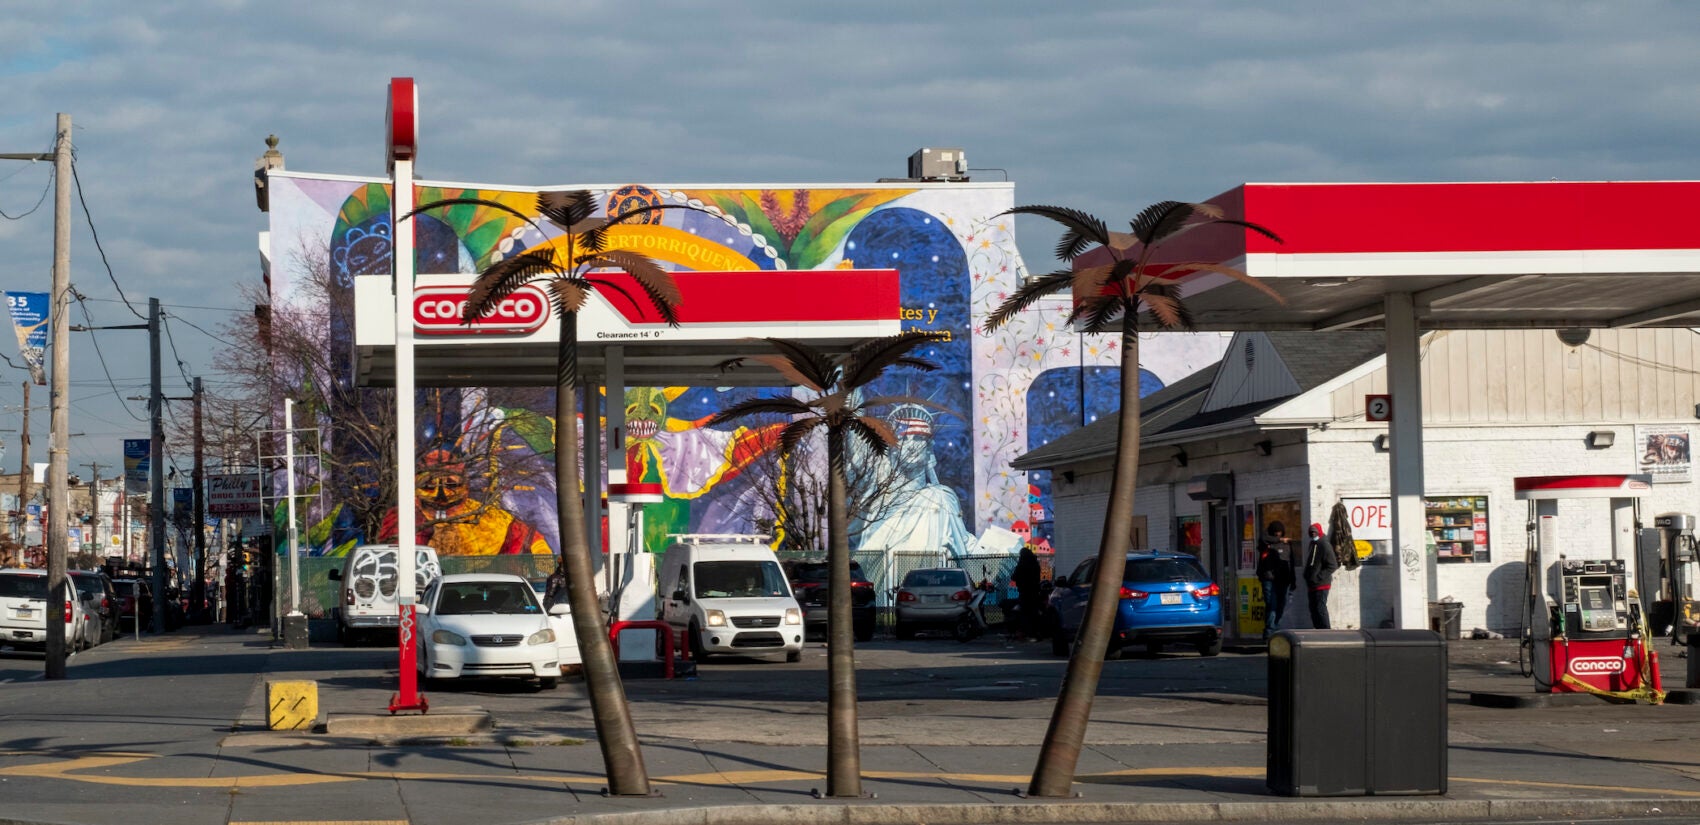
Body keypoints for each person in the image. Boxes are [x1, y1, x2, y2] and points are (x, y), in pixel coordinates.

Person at [1255, 522, 1293, 638]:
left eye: (1280, 532)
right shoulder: (1266, 544)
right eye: (1276, 532)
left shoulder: (1287, 546)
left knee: (1281, 605)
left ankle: (1275, 627)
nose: (1278, 534)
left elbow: (1291, 563)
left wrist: (1293, 580)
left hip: (1283, 579)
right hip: (1269, 578)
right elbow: (1263, 538)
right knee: (1272, 604)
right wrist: (1280, 540)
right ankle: (1270, 631)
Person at [1304, 522, 1340, 629]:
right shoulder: (1312, 544)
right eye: (1311, 533)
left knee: (1320, 608)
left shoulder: (1324, 544)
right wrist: (1307, 576)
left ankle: (1326, 631)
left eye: (1314, 532)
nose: (1313, 535)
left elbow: (1332, 565)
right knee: (1313, 609)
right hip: (1312, 584)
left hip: (1321, 584)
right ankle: (1318, 631)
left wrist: (1318, 577)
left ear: (1319, 532)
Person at [1012, 545, 1043, 640]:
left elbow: (1014, 577)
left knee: (1024, 613)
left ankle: (1025, 632)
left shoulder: (1021, 565)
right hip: (1034, 592)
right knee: (1033, 612)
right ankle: (1034, 632)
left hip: (1024, 592)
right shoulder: (1035, 564)